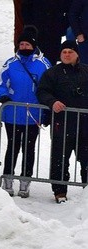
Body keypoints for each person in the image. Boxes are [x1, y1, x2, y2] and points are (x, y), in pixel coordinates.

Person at [0, 26, 51, 198]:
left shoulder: (43, 64)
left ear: (34, 45)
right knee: (13, 146)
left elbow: (48, 88)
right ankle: (8, 179)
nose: (24, 47)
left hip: (33, 114)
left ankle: (25, 181)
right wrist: (3, 95)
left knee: (29, 148)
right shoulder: (10, 63)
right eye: (22, 44)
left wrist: (46, 108)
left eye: (27, 44)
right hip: (12, 113)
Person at [36, 39, 88, 203]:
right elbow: (42, 92)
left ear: (77, 54)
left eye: (70, 52)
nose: (67, 55)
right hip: (62, 123)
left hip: (85, 124)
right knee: (60, 158)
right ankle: (59, 191)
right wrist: (52, 102)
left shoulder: (86, 71)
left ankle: (86, 191)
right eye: (64, 52)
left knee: (86, 158)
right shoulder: (52, 73)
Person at [23, 0, 69, 65]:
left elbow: (69, 8)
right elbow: (26, 7)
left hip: (55, 27)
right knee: (36, 55)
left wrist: (63, 25)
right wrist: (29, 25)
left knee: (52, 56)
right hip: (37, 27)